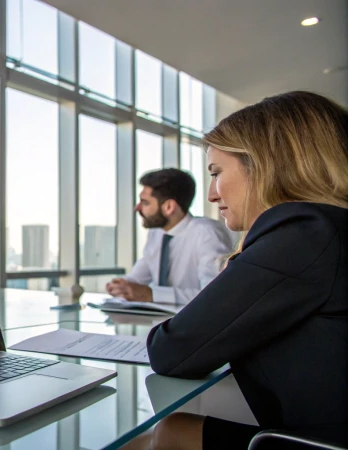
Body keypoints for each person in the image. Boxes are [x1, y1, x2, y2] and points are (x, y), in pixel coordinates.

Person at [143, 91, 348, 449]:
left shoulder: (301, 233)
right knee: (168, 430)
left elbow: (171, 350)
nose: (211, 194)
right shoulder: (329, 226)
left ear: (267, 166)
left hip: (319, 443)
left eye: (217, 172)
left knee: (171, 432)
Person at [106, 168, 233, 306]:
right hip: (159, 322)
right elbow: (138, 277)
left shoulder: (207, 232)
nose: (137, 208)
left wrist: (152, 294)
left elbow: (213, 294)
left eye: (145, 202)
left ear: (169, 207)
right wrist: (121, 286)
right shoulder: (157, 233)